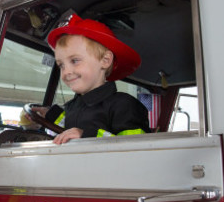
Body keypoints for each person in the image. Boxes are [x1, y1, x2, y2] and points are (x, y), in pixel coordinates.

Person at [29, 14, 150, 144]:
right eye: (61, 65)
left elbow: (133, 147)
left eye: (75, 61)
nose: (66, 72)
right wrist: (51, 114)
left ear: (105, 60)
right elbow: (70, 126)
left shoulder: (124, 105)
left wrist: (86, 135)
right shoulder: (73, 106)